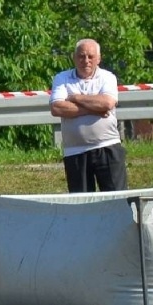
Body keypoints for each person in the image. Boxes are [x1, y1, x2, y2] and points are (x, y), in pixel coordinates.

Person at [49, 38, 126, 193]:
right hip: (75, 152)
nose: (86, 61)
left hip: (107, 146)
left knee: (116, 200)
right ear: (74, 57)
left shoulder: (107, 77)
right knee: (81, 203)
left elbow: (107, 103)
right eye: (81, 56)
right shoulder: (62, 78)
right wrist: (93, 109)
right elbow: (57, 108)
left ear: (99, 58)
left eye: (91, 56)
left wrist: (76, 98)